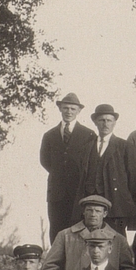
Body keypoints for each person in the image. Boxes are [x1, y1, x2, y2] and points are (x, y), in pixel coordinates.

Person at [76, 103, 136, 234]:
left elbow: (135, 178)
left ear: (114, 123)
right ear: (95, 122)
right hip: (92, 202)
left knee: (115, 238)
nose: (105, 124)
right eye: (101, 120)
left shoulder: (124, 146)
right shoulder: (86, 147)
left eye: (109, 120)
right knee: (90, 238)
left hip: (116, 204)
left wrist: (120, 194)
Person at [41, 92, 96, 241]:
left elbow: (92, 163)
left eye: (73, 109)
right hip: (56, 193)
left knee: (79, 230)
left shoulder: (88, 135)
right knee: (57, 230)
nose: (69, 112)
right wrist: (60, 175)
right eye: (66, 108)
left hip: (79, 192)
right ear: (60, 109)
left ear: (79, 111)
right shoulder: (49, 135)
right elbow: (45, 161)